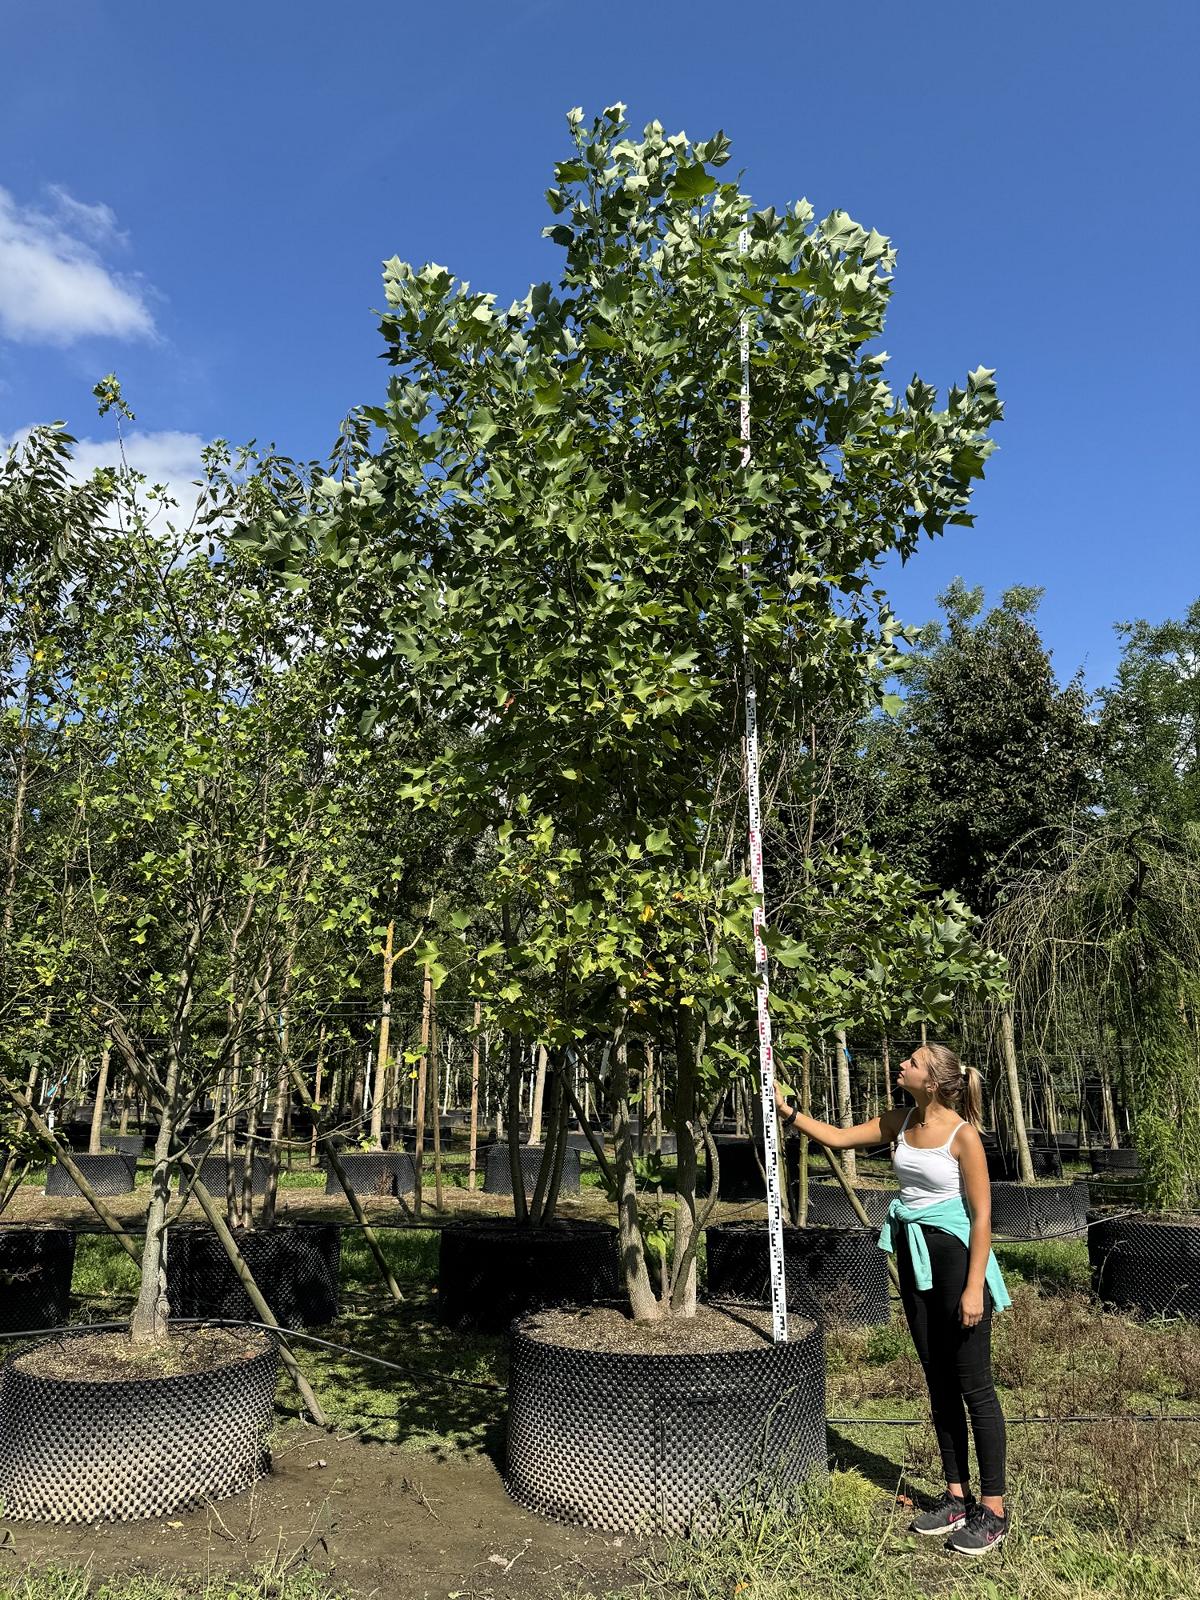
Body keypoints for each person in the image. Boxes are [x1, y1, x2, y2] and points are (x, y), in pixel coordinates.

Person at [774, 1042, 1011, 1556]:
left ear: (934, 1081)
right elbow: (836, 1138)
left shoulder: (963, 1136)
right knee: (937, 1376)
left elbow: (983, 1217)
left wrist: (974, 1287)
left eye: (913, 1062)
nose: (901, 1064)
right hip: (914, 1256)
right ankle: (956, 1494)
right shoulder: (900, 1121)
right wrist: (787, 1110)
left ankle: (992, 1509)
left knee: (973, 1382)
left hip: (955, 1260)